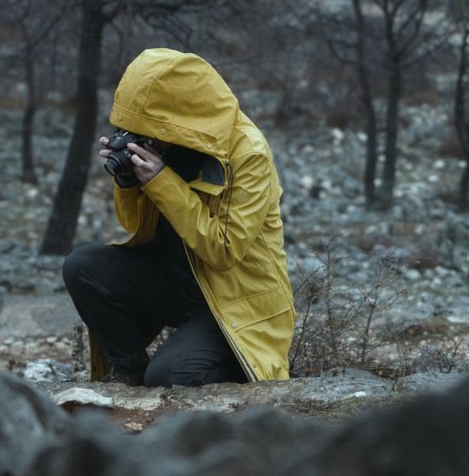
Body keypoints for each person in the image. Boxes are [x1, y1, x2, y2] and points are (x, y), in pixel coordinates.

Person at [62, 48, 296, 387]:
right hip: (175, 279)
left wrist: (160, 180)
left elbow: (224, 249)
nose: (145, 135)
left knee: (171, 376)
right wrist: (128, 181)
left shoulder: (247, 153)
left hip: (232, 299)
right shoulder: (164, 143)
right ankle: (129, 370)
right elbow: (133, 226)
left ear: (176, 114)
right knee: (82, 266)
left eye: (148, 128)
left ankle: (245, 369)